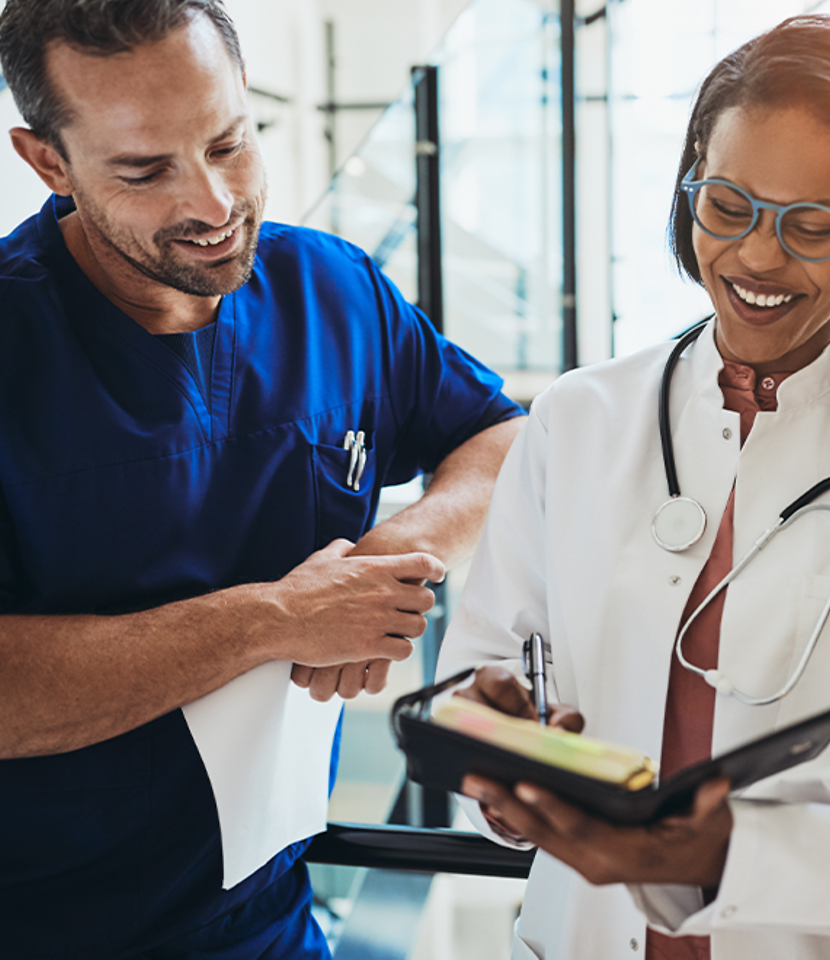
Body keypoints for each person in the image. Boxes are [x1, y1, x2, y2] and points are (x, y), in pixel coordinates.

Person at [435, 14, 830, 960]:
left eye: (812, 226)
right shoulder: (577, 420)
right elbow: (482, 667)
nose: (755, 257)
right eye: (728, 206)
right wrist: (499, 752)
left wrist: (732, 849)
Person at [0, 1, 524, 956]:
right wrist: (277, 621)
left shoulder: (333, 289)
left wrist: (399, 555)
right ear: (49, 163)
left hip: (269, 918)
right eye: (145, 170)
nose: (211, 203)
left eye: (230, 143)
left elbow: (498, 437)